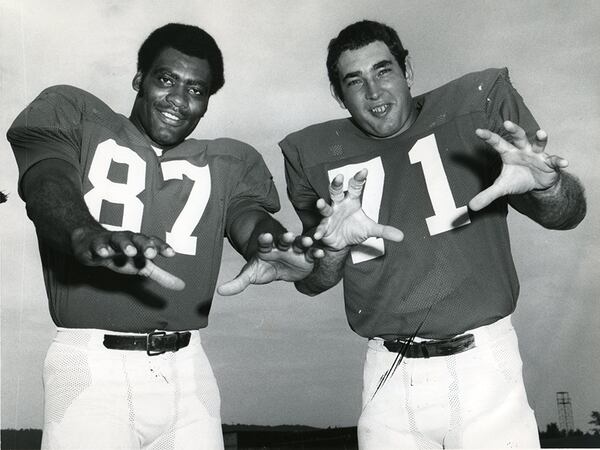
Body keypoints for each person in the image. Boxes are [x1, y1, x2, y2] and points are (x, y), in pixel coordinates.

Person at [7, 23, 323, 450]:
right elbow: (46, 175)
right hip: (90, 367)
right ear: (139, 79)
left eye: (196, 90)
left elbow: (246, 215)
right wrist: (82, 231)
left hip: (188, 371)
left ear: (207, 102)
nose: (179, 99)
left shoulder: (229, 160)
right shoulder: (77, 116)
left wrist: (270, 242)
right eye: (166, 79)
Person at [280, 20, 587, 449]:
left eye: (383, 71)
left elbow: (567, 215)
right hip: (388, 379)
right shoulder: (314, 158)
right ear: (339, 95)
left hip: (484, 368)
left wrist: (548, 186)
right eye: (355, 81)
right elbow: (316, 282)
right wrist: (330, 252)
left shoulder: (475, 111)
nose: (373, 92)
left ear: (406, 72)